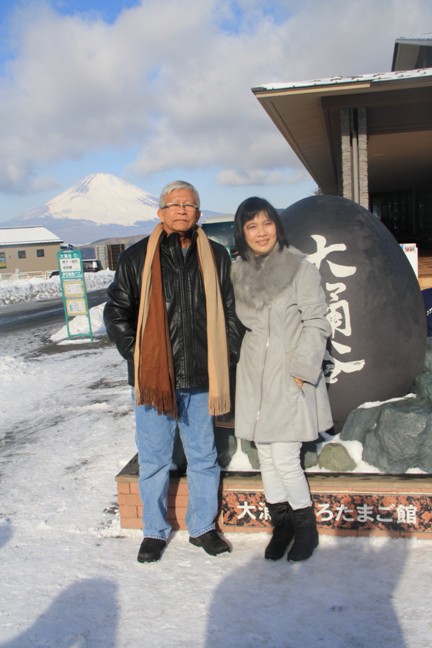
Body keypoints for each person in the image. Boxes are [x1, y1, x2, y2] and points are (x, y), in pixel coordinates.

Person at [104, 180, 242, 563]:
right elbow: (116, 311)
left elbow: (231, 311)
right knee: (153, 460)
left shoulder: (216, 255)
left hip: (201, 379)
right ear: (160, 212)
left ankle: (202, 527)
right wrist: (137, 355)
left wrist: (227, 354)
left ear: (198, 213)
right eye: (175, 204)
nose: (182, 209)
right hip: (153, 383)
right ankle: (154, 531)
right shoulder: (135, 258)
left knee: (203, 457)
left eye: (189, 204)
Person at [231, 197, 333, 562]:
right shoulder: (237, 272)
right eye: (252, 226)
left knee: (287, 458)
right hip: (254, 377)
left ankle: (306, 530)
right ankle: (282, 526)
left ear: (277, 225)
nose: (261, 232)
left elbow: (317, 321)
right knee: (267, 458)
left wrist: (301, 371)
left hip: (290, 374)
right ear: (242, 233)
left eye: (267, 223)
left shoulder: (299, 268)